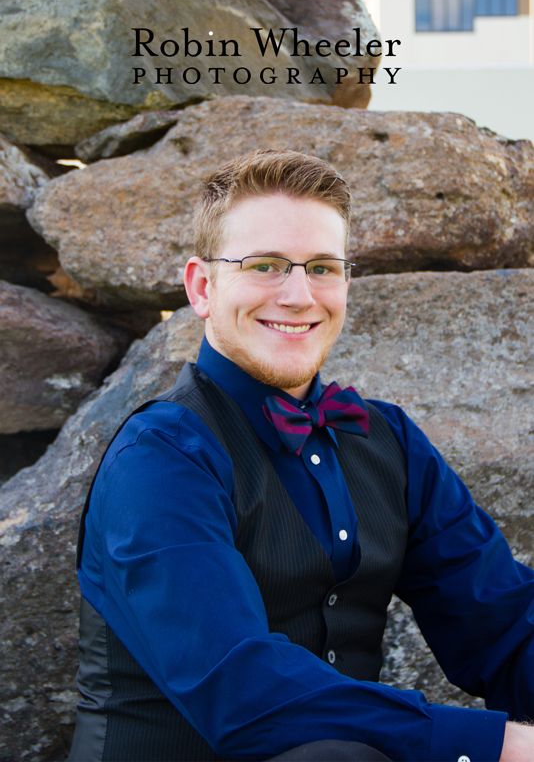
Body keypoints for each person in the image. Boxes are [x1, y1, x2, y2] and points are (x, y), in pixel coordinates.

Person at [70, 150, 534, 762]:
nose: (297, 295)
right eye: (265, 266)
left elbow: (500, 624)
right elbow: (243, 688)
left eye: (321, 268)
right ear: (203, 287)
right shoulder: (160, 458)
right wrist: (495, 744)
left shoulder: (387, 439)